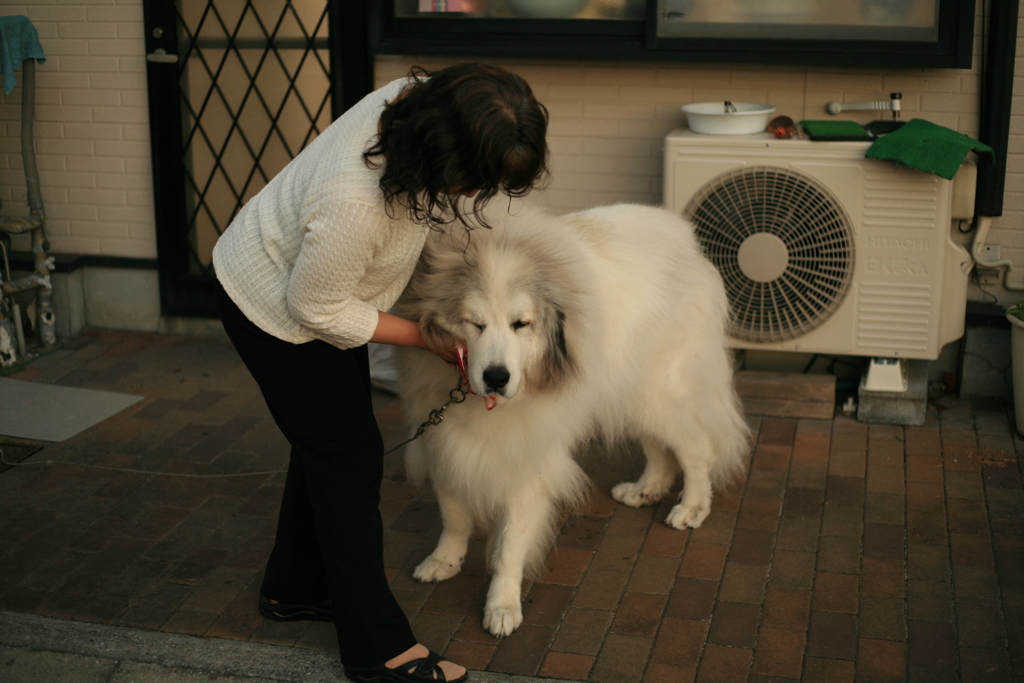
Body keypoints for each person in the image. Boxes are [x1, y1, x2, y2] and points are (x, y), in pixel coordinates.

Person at [212, 63, 549, 683]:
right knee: (349, 459)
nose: (479, 195)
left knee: (326, 443)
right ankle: (377, 653)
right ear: (440, 148)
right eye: (478, 179)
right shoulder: (355, 202)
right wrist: (435, 341)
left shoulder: (408, 101)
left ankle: (294, 588)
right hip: (271, 307)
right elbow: (314, 309)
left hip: (309, 286)